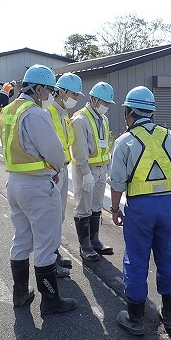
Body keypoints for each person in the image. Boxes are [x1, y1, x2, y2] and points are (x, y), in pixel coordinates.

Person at [109, 86, 171, 336]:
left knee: (137, 258)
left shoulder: (124, 142)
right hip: (169, 206)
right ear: (151, 113)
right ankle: (170, 315)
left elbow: (117, 182)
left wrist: (114, 209)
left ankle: (135, 318)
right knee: (170, 256)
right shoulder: (169, 136)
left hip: (140, 208)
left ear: (129, 112)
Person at [0, 64, 77, 315]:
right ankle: (51, 302)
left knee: (21, 239)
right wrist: (57, 169)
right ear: (39, 88)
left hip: (14, 182)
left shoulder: (9, 110)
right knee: (46, 243)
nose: (49, 96)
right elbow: (54, 151)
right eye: (48, 91)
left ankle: (20, 294)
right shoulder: (34, 114)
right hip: (36, 185)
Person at [70, 82, 115, 262]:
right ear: (94, 99)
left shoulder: (103, 119)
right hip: (85, 171)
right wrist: (85, 171)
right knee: (83, 207)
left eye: (109, 103)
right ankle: (85, 245)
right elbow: (79, 150)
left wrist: (108, 165)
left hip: (101, 169)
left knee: (96, 206)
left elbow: (104, 143)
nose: (107, 106)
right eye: (105, 102)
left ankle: (95, 240)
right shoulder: (80, 119)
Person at [47, 72, 83, 275]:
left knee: (59, 214)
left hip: (63, 168)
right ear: (61, 91)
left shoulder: (63, 113)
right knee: (52, 215)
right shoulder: (49, 111)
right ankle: (50, 259)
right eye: (73, 94)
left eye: (77, 95)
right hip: (52, 171)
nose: (75, 99)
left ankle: (55, 252)